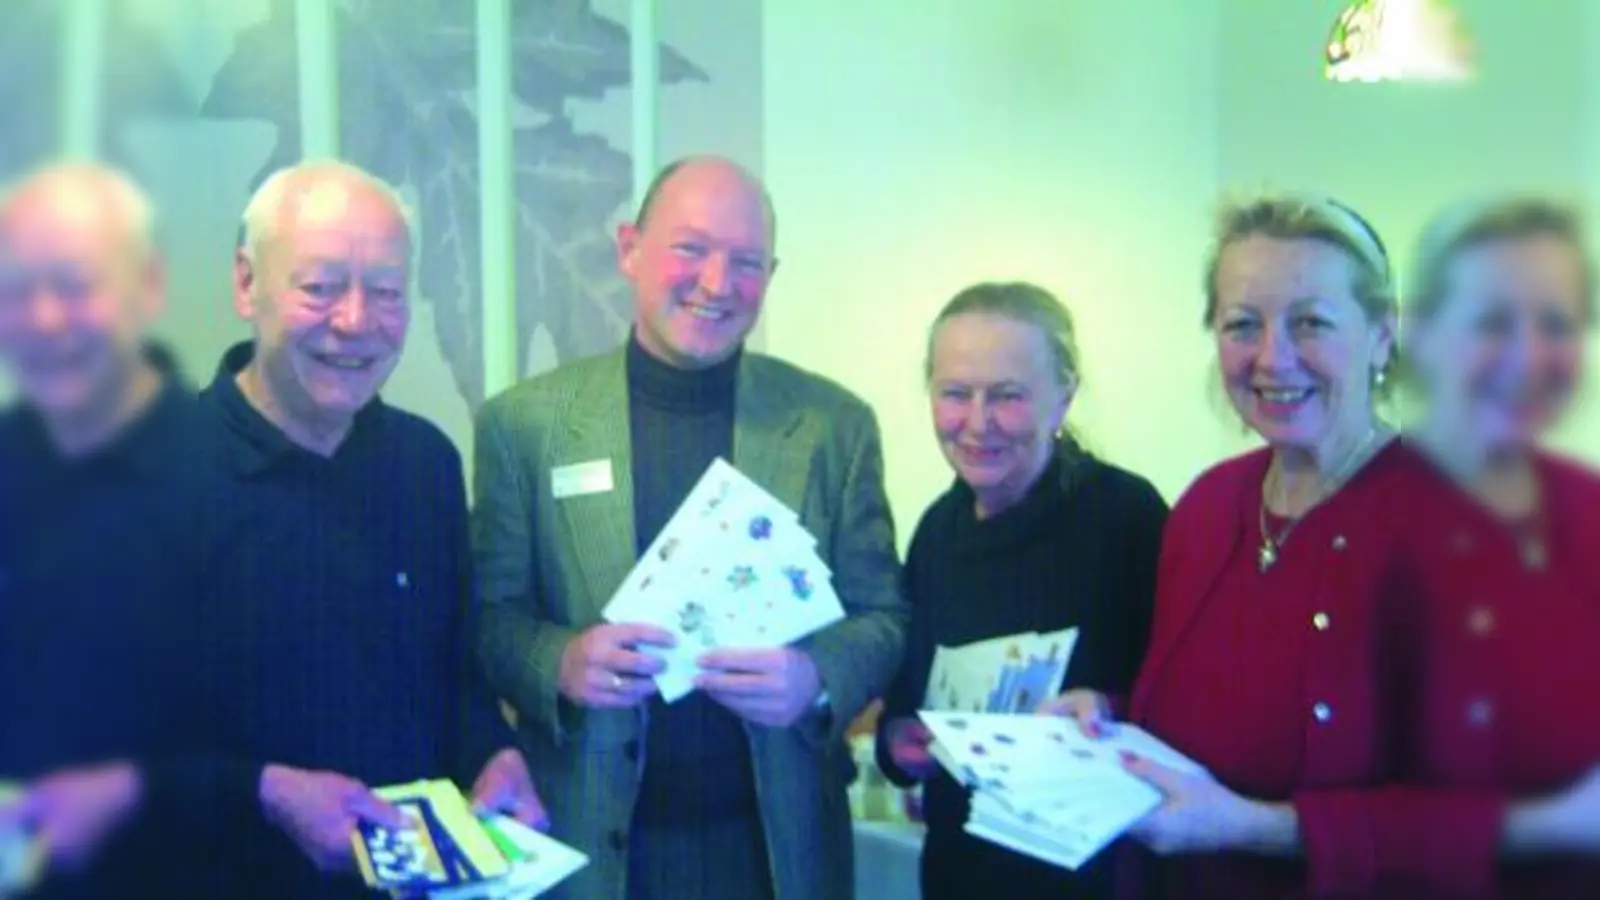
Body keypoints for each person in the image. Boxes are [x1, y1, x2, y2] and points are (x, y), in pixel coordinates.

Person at [473, 154, 907, 900]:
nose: (716, 283)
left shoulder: (834, 425)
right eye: (690, 249)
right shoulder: (525, 424)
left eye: (746, 262)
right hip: (594, 847)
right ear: (629, 248)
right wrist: (559, 661)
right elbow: (488, 616)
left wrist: (818, 678)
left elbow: (885, 615)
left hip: (776, 852)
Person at [184, 160, 543, 898]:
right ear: (247, 283)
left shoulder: (424, 464)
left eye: (385, 292)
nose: (355, 321)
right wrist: (267, 789)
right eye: (319, 288)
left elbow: (452, 677)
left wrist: (496, 755)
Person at [1048, 196, 1412, 897]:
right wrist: (1110, 715)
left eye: (1310, 322)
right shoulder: (1208, 507)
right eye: (1243, 324)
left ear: (1382, 334)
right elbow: (1217, 708)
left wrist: (1248, 825)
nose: (1273, 357)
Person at [873, 282, 1168, 899]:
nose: (977, 424)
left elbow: (1189, 702)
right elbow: (908, 695)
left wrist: (1109, 706)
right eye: (955, 394)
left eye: (1007, 397)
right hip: (963, 869)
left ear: (1063, 398)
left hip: (1092, 878)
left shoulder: (1125, 516)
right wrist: (899, 741)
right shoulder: (938, 530)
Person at [0, 163, 204, 897]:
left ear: (148, 286)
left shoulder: (230, 470)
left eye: (76, 286)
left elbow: (279, 750)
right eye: (17, 291)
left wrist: (137, 788)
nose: (45, 318)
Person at [1395, 197, 1600, 897]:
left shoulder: (1585, 506)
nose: (1529, 357)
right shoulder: (1364, 523)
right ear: (1419, 335)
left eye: (1557, 324)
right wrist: (1557, 823)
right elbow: (1336, 813)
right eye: (1491, 323)